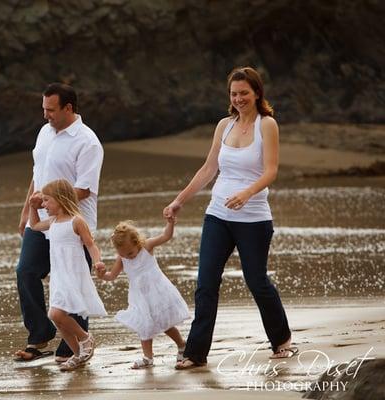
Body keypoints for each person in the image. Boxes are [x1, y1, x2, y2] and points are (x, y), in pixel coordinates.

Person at [163, 66, 296, 370]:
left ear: (257, 93)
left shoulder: (268, 125)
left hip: (254, 218)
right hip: (218, 216)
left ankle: (282, 340)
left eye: (244, 93)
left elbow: (271, 171)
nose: (238, 99)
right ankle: (196, 353)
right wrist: (179, 201)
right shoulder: (224, 125)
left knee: (256, 280)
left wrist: (246, 194)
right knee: (206, 283)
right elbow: (209, 169)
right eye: (234, 94)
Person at [14, 83, 104, 363]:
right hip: (40, 220)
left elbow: (85, 189)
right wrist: (27, 208)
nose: (45, 115)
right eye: (43, 109)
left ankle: (74, 346)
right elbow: (37, 174)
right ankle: (40, 335)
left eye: (51, 110)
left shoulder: (87, 142)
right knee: (26, 271)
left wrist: (48, 200)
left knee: (71, 281)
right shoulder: (44, 132)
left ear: (69, 108)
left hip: (73, 223)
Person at [28, 179, 107, 371]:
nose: (44, 205)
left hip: (73, 273)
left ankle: (85, 338)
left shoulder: (76, 221)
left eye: (47, 200)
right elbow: (35, 225)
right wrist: (32, 206)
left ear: (61, 199)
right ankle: (78, 355)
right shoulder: (53, 222)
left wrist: (97, 261)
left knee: (55, 313)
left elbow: (90, 244)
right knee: (56, 317)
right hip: (59, 275)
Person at [95, 218, 190, 369]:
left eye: (130, 252)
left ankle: (182, 345)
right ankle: (148, 357)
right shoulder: (122, 258)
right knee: (143, 326)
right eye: (123, 254)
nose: (128, 256)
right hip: (139, 297)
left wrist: (170, 223)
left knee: (164, 322)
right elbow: (111, 276)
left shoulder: (147, 246)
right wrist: (101, 275)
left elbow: (166, 236)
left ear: (137, 241)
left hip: (157, 292)